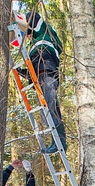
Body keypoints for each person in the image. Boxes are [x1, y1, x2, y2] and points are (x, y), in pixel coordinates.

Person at [19, 12, 66, 154]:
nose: (27, 37)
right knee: (46, 112)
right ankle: (56, 142)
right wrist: (23, 72)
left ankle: (60, 143)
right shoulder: (35, 44)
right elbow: (34, 68)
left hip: (47, 75)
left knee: (51, 108)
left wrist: (21, 21)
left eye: (28, 33)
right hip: (40, 78)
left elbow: (33, 16)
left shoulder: (44, 34)